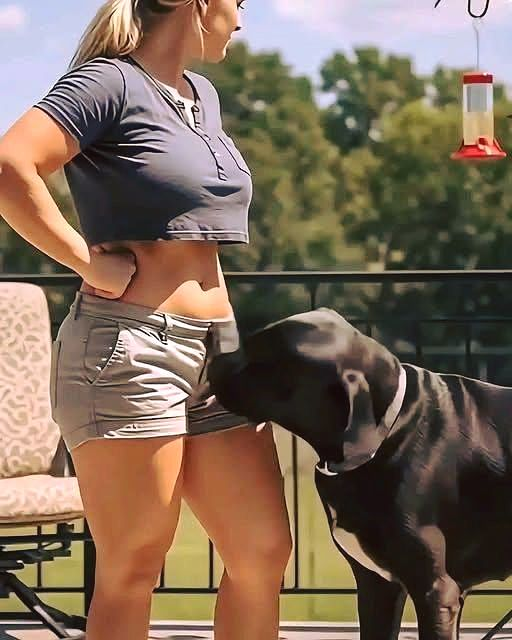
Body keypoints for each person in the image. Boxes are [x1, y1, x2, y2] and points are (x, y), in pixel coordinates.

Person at [0, 1, 292, 639]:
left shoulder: (201, 96)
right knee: (134, 563)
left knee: (262, 550)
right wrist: (85, 261)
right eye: (239, 2)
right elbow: (10, 164)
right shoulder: (108, 82)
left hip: (220, 351)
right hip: (130, 348)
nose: (243, 19)